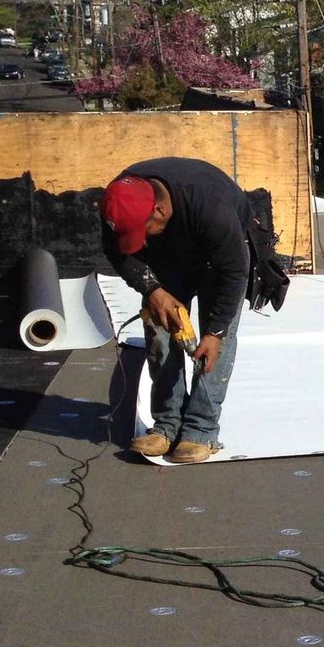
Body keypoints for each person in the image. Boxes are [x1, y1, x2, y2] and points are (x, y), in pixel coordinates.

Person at [99, 158, 252, 462]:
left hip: (220, 261)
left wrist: (215, 332)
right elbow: (116, 251)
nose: (139, 242)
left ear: (159, 211)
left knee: (213, 345)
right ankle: (167, 425)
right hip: (169, 255)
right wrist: (153, 290)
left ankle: (201, 430)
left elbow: (235, 271)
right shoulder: (119, 200)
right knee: (159, 329)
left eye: (142, 232)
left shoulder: (212, 208)